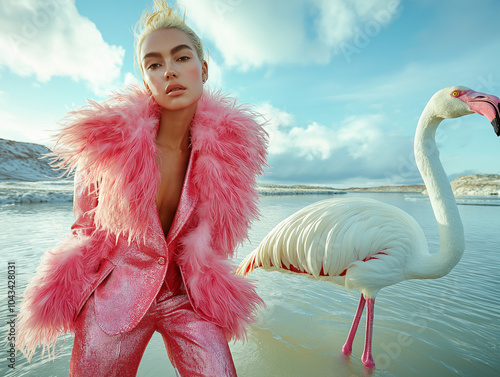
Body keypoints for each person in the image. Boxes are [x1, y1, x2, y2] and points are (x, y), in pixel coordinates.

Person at [16, 1, 267, 376]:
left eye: (181, 58)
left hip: (188, 297)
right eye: (154, 64)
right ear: (145, 80)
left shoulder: (231, 157)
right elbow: (84, 230)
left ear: (204, 68)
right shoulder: (107, 148)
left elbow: (214, 237)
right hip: (117, 298)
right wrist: (79, 297)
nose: (169, 71)